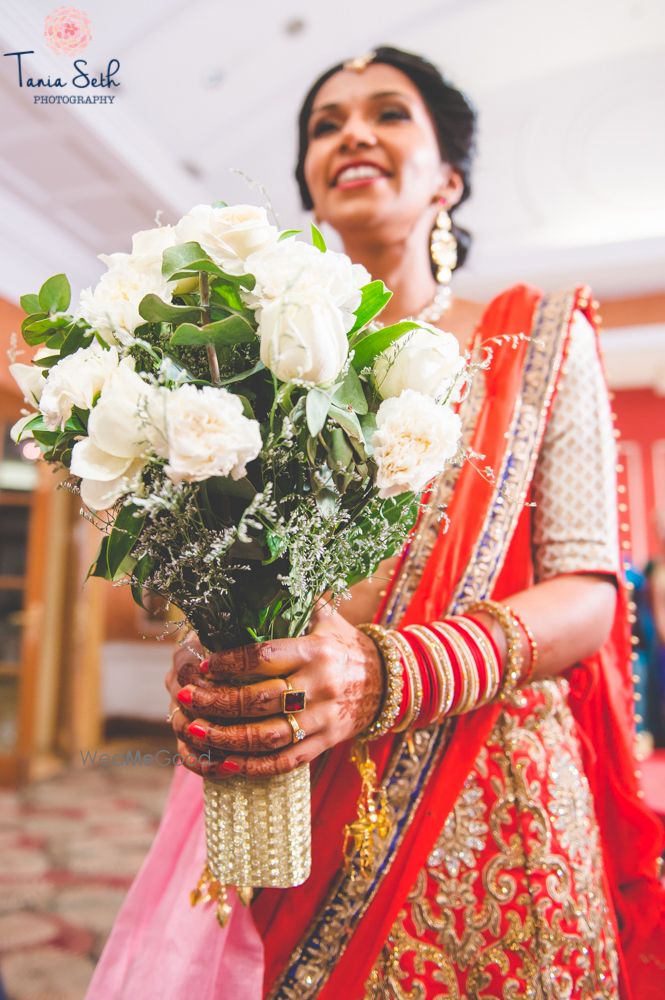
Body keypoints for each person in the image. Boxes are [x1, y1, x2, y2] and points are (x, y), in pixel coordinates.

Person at [85, 46, 665, 999]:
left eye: (388, 113)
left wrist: (382, 675)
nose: (352, 131)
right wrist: (216, 662)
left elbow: (588, 594)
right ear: (312, 192)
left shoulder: (540, 336)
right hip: (289, 788)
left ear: (448, 178)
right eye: (324, 124)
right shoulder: (240, 374)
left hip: (486, 797)